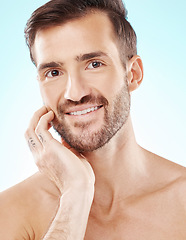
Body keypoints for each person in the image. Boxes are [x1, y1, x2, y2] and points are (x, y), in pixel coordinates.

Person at [0, 0, 186, 239]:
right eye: (54, 72)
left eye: (94, 64)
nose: (74, 93)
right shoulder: (10, 213)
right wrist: (75, 194)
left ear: (133, 74)